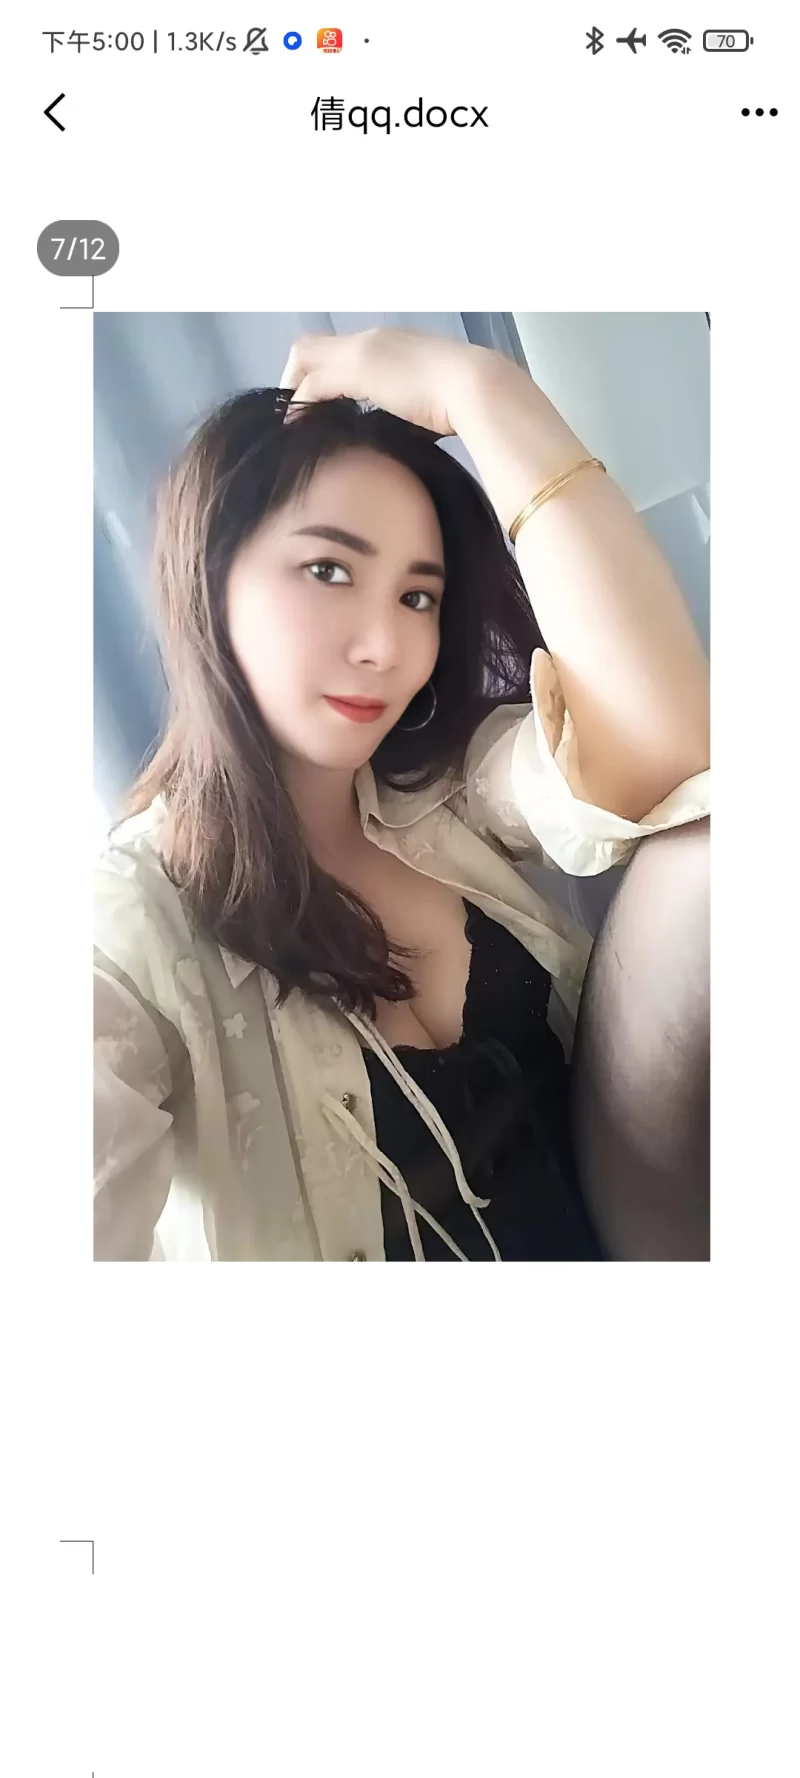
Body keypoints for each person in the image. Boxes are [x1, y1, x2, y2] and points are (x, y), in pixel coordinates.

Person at [93, 325, 710, 1263]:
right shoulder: (126, 935)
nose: (384, 645)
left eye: (417, 597)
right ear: (209, 582)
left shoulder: (442, 794)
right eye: (329, 570)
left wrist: (479, 389)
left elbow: (673, 753)